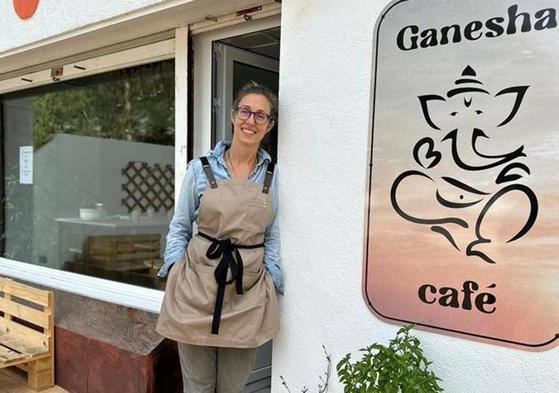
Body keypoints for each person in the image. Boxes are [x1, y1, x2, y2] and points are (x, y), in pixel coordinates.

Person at [156, 81, 283, 393]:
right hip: (195, 289)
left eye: (260, 116)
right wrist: (175, 271)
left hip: (247, 292)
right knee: (198, 387)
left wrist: (272, 281)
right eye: (245, 111)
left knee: (232, 388)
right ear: (232, 115)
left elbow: (273, 235)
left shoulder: (272, 175)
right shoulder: (200, 169)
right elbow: (180, 227)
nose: (250, 121)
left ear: (269, 125)